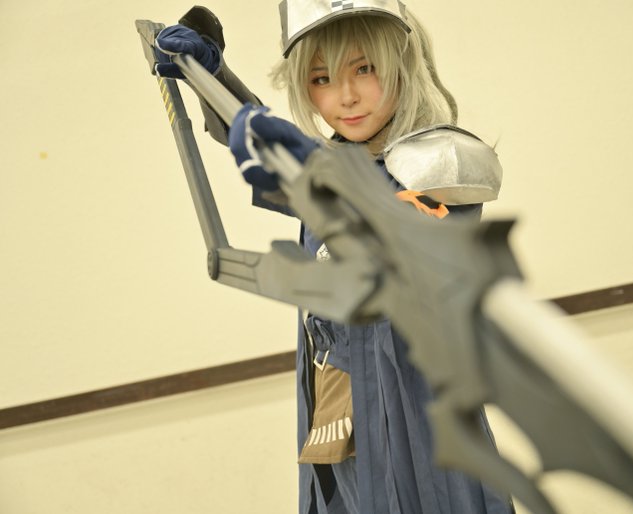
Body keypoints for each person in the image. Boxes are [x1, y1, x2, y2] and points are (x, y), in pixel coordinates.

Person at [155, 1, 510, 513]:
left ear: (403, 63)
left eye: (365, 69)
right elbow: (271, 152)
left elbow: (396, 234)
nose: (345, 96)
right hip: (337, 405)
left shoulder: (436, 161)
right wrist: (212, 79)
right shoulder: (330, 165)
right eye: (321, 78)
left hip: (416, 410)